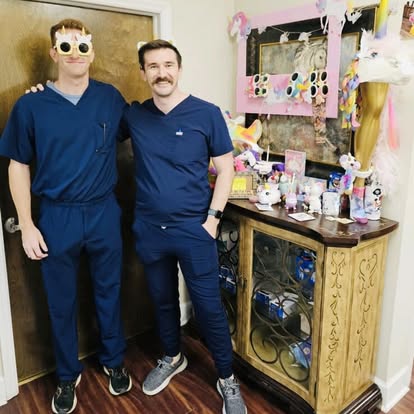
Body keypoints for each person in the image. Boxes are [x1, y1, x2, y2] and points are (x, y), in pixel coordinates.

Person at [0, 19, 132, 414]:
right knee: (60, 300)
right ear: (54, 53)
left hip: (103, 211)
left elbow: (142, 128)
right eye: (66, 46)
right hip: (57, 216)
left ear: (92, 51)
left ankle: (113, 360)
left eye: (82, 45)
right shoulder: (31, 105)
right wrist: (27, 224)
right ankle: (65, 374)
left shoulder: (109, 98)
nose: (75, 53)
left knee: (110, 291)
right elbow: (17, 165)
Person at [122, 39, 247, 414]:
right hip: (150, 230)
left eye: (168, 65)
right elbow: (89, 120)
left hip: (195, 230)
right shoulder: (135, 116)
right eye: (153, 66)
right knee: (162, 301)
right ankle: (173, 356)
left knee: (208, 308)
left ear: (179, 69)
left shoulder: (206, 114)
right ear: (143, 73)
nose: (161, 73)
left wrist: (212, 220)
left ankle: (227, 378)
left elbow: (226, 170)